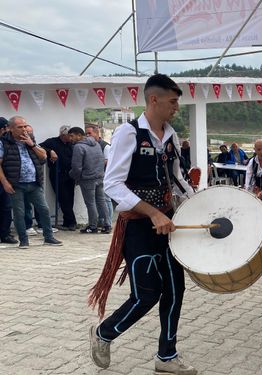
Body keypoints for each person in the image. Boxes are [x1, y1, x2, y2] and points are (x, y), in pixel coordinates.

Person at [87, 74, 196, 374]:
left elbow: (178, 179)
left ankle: (167, 356)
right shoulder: (129, 133)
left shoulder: (171, 136)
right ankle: (103, 333)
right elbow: (113, 185)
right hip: (138, 227)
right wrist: (152, 212)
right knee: (146, 294)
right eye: (173, 102)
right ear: (154, 100)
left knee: (175, 291)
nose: (176, 107)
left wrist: (200, 204)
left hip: (169, 224)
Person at [0, 116, 62, 249]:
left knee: (44, 209)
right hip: (16, 184)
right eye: (20, 127)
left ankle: (48, 237)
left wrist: (31, 144)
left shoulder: (30, 140)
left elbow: (43, 156)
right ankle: (23, 240)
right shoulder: (3, 142)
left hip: (34, 183)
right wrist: (5, 182)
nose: (24, 129)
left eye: (25, 126)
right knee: (19, 213)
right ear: (10, 128)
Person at [68, 127, 110, 234]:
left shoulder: (78, 147)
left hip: (87, 179)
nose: (70, 138)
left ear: (79, 135)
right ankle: (107, 225)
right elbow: (101, 160)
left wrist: (74, 176)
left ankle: (93, 226)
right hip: (99, 177)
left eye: (72, 136)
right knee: (101, 201)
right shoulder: (96, 143)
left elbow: (76, 167)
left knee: (90, 203)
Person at [40, 125, 77, 231]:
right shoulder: (52, 142)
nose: (70, 138)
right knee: (63, 198)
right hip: (58, 173)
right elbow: (39, 147)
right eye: (68, 136)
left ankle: (67, 222)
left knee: (70, 198)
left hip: (70, 175)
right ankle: (72, 222)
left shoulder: (71, 144)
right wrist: (50, 151)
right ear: (62, 135)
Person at [86, 125, 113, 229]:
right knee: (98, 200)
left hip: (105, 176)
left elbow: (108, 161)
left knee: (106, 200)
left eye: (90, 133)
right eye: (86, 133)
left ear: (97, 134)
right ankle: (101, 221)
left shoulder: (105, 146)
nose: (87, 136)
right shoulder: (91, 145)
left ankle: (108, 222)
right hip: (97, 177)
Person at [0, 117, 17, 244]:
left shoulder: (7, 141)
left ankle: (5, 234)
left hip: (4, 178)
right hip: (3, 178)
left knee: (6, 207)